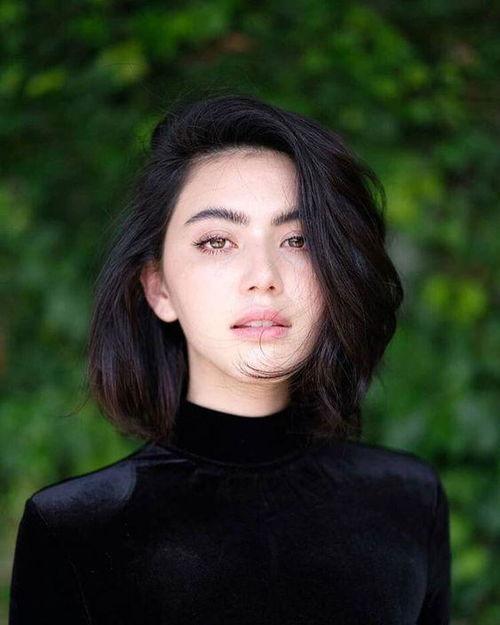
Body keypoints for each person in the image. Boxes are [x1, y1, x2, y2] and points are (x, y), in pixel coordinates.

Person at [8, 93, 451, 624]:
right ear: (159, 288)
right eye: (217, 241)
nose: (264, 276)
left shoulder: (409, 500)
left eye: (298, 239)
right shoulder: (74, 530)